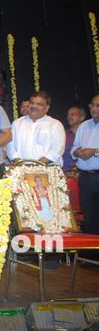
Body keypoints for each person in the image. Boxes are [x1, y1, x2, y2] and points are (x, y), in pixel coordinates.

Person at [7, 91, 66, 166]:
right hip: (21, 168)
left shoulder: (55, 125)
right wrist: (21, 164)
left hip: (48, 169)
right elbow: (10, 147)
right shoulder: (17, 124)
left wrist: (34, 166)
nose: (34, 106)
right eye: (32, 103)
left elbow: (57, 149)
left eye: (39, 104)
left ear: (47, 108)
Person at [71, 94, 99, 235]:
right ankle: (92, 248)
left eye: (98, 105)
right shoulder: (83, 126)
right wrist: (76, 152)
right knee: (89, 217)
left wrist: (95, 152)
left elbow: (94, 151)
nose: (94, 108)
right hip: (86, 178)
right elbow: (74, 147)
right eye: (92, 105)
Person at [63, 105, 86, 171]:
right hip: (64, 173)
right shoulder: (63, 134)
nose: (69, 117)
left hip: (84, 173)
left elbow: (96, 153)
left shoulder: (89, 135)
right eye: (68, 115)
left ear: (82, 117)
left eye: (73, 114)